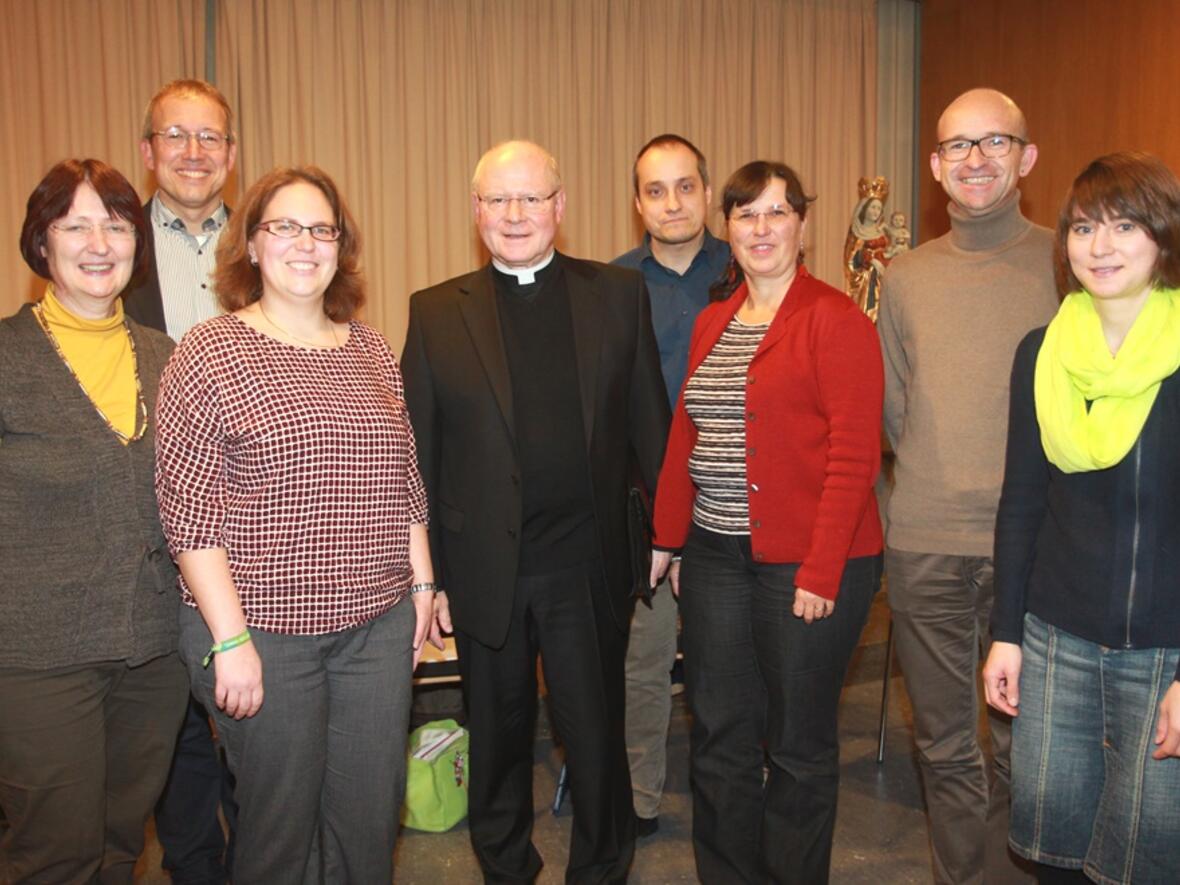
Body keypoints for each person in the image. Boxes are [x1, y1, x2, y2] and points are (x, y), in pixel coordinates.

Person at [155, 166, 444, 884]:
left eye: (322, 228)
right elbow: (188, 514)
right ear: (251, 244)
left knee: (368, 823)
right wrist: (230, 640)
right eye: (284, 226)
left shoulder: (371, 349)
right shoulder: (208, 351)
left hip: (375, 626)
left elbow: (404, 481)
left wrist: (423, 583)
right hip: (262, 629)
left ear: (340, 247)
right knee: (279, 830)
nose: (305, 243)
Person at [401, 140, 669, 883]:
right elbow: (416, 458)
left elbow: (652, 423)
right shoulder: (434, 311)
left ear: (560, 205)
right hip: (484, 569)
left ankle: (601, 866)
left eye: (530, 198)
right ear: (476, 211)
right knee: (497, 737)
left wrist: (665, 534)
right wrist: (433, 577)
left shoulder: (618, 295)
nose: (514, 214)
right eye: (497, 200)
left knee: (594, 737)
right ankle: (506, 865)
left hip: (586, 565)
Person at [651, 160, 884, 883]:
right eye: (747, 214)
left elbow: (855, 456)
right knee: (718, 733)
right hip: (718, 554)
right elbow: (686, 436)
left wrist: (820, 570)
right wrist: (669, 538)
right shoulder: (712, 321)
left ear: (802, 226)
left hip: (812, 561)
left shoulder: (835, 319)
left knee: (796, 743)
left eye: (777, 213)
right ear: (728, 229)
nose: (761, 228)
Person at [876, 87, 1058, 885]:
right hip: (925, 546)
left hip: (1041, 551)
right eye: (957, 146)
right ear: (935, 166)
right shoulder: (905, 276)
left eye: (994, 142)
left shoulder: (1071, 260)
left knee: (1032, 747)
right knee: (946, 745)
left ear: (1027, 157)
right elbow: (895, 407)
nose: (975, 159)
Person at [984, 151, 1180, 885]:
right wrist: (1007, 632)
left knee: (1149, 858)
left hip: (1166, 655)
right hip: (1057, 641)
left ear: (1163, 237)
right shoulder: (1041, 352)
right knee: (1055, 853)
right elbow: (1023, 502)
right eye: (1085, 227)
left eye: (1124, 225)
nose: (1100, 246)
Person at [0, 159, 188, 882]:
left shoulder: (168, 358)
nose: (99, 242)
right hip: (35, 657)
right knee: (55, 852)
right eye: (75, 224)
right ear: (41, 242)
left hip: (152, 650)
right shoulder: (8, 355)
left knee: (118, 843)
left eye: (115, 224)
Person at [125, 77, 240, 885]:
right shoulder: (107, 237)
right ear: (148, 150)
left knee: (257, 711)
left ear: (231, 156)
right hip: (152, 517)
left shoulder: (273, 240)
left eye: (210, 138)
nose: (194, 153)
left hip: (261, 512)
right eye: (177, 135)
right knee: (178, 730)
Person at [612, 133, 730, 837]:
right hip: (645, 509)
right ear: (637, 204)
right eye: (656, 190)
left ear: (708, 193)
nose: (673, 202)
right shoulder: (614, 286)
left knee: (727, 663)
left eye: (686, 186)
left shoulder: (749, 270)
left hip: (731, 506)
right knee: (643, 664)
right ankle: (639, 798)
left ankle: (733, 789)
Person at [843, 181, 891, 320]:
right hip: (866, 283)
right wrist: (871, 261)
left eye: (879, 208)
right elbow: (851, 262)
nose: (876, 211)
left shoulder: (882, 231)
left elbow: (888, 252)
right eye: (873, 207)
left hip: (884, 279)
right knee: (869, 315)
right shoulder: (856, 233)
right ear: (864, 208)